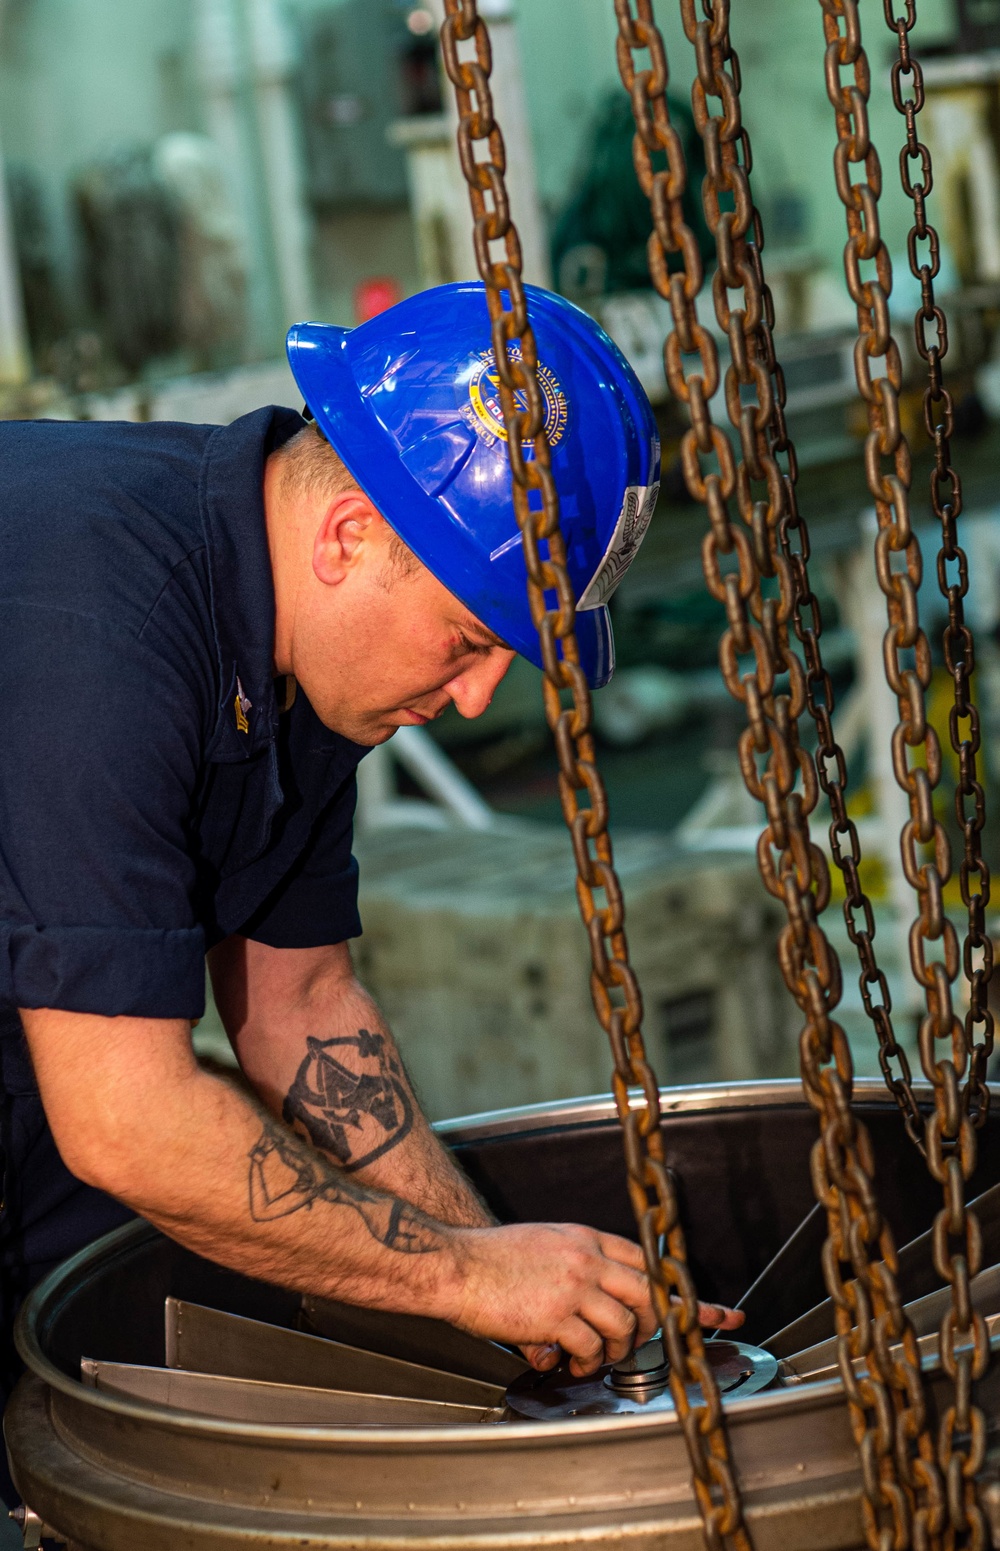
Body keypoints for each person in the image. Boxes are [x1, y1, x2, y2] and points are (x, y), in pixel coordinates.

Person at [0, 282, 741, 1493]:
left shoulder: (301, 663)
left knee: (98, 1415)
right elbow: (126, 1120)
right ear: (349, 535)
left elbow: (299, 1004)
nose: (473, 700)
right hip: (68, 1093)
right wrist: (460, 1280)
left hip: (33, 1084)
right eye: (467, 637)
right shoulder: (103, 634)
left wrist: (493, 1266)